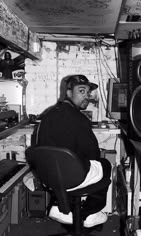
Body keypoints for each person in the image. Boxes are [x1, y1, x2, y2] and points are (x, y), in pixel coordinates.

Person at [35, 74, 111, 228]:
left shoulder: (48, 115)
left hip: (48, 178)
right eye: (81, 91)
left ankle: (60, 206)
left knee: (74, 164)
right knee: (104, 164)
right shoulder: (80, 119)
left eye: (88, 93)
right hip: (71, 178)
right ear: (68, 93)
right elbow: (93, 155)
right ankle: (89, 213)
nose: (87, 97)